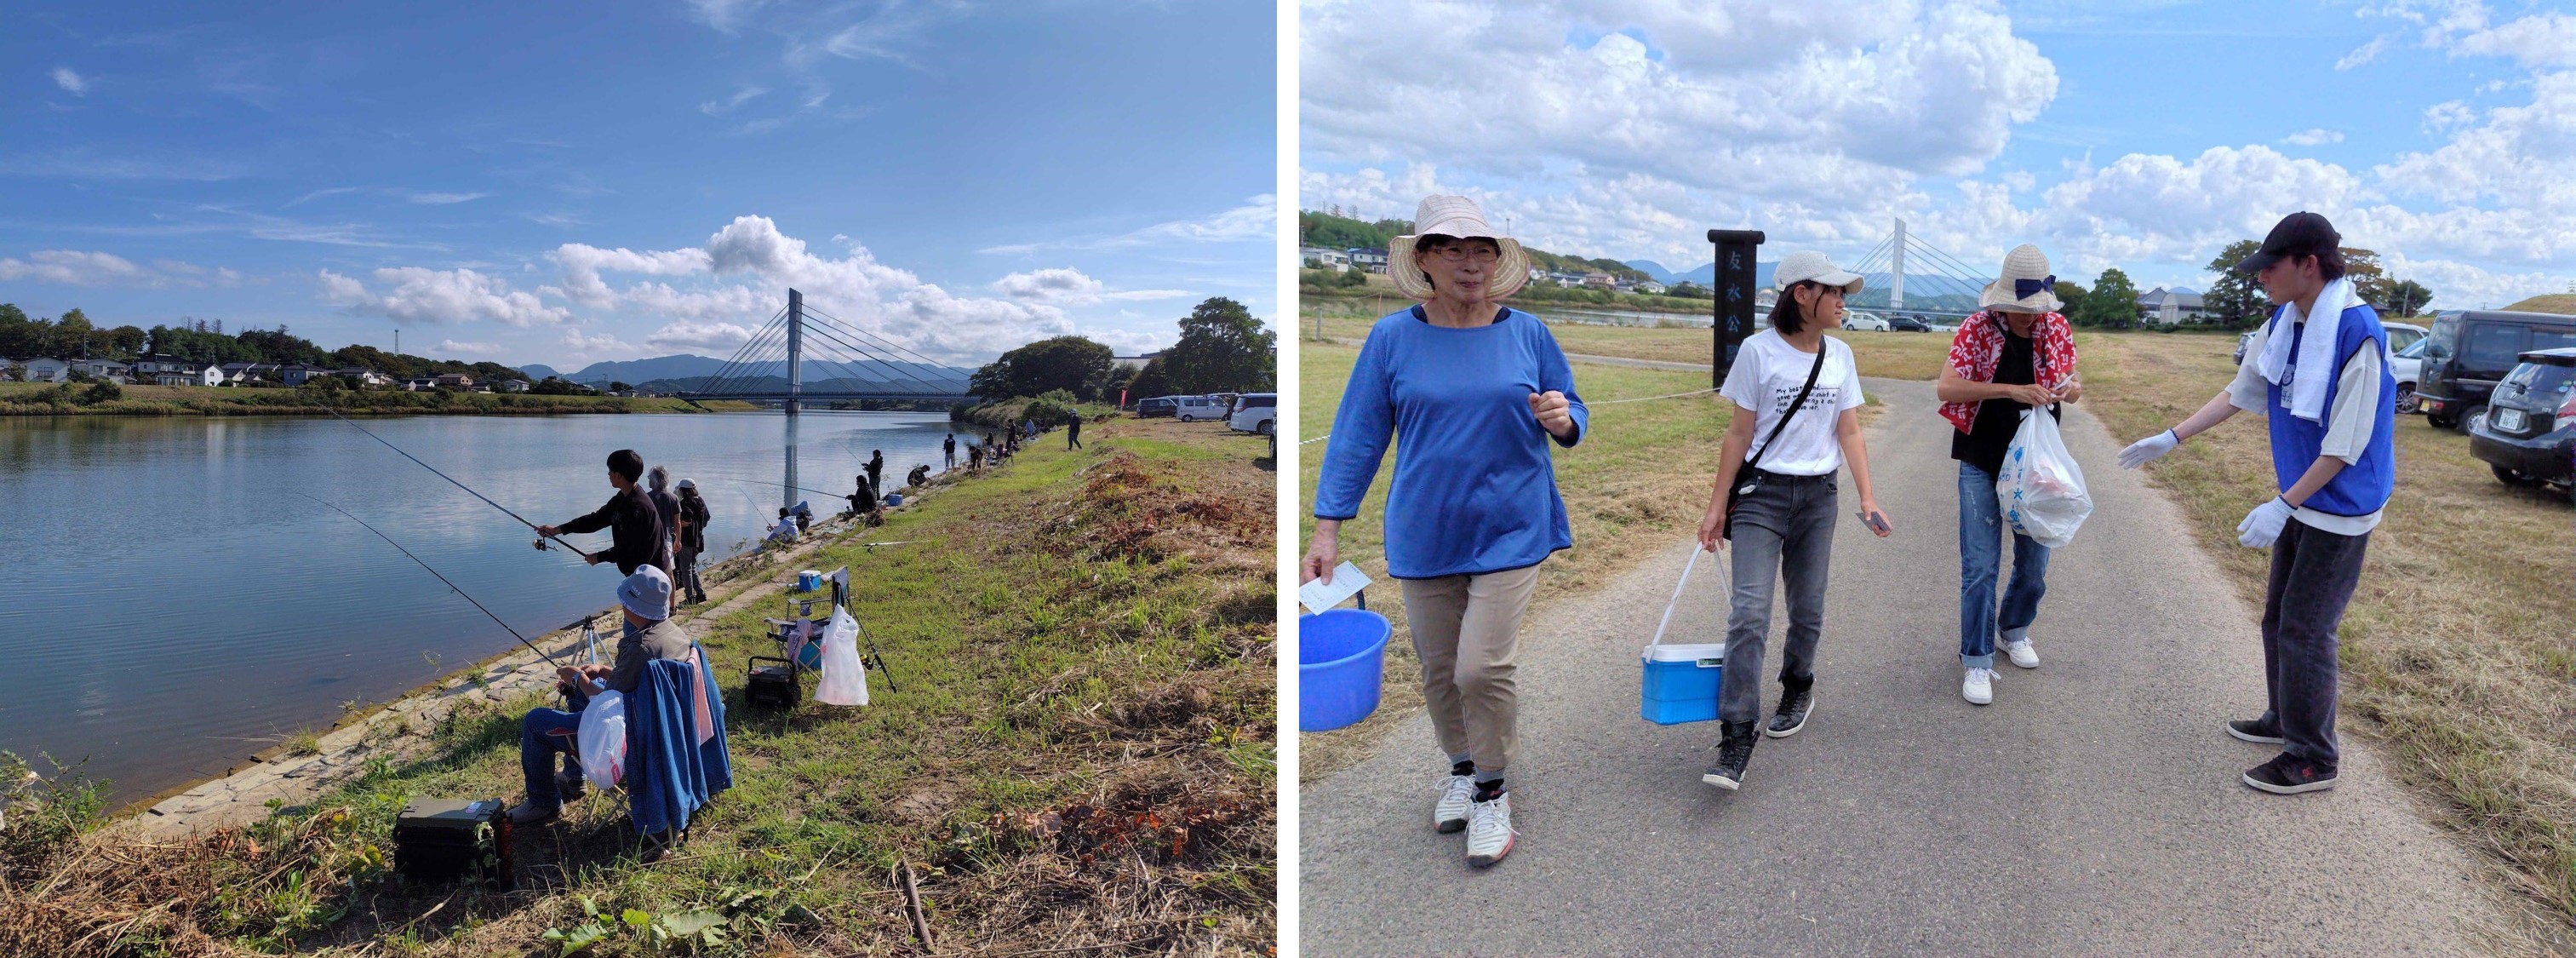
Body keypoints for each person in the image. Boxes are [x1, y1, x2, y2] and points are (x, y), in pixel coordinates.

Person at [1305, 195, 1583, 869]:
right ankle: (1462, 765)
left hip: (1511, 524)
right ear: (1424, 259)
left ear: (1498, 259)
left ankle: (1491, 789)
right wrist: (1327, 530)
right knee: (1436, 671)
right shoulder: (1392, 339)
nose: (1470, 262)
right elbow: (1358, 436)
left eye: (1482, 249)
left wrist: (1561, 417)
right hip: (1425, 529)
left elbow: (1571, 409)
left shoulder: (1529, 333)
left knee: (1479, 666)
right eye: (1453, 249)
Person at [2116, 211, 2395, 796]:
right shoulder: (2286, 321)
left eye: (2271, 266)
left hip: (2339, 507)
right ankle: (2283, 719)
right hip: (2300, 498)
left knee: (2308, 627)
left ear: (2308, 264)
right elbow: (2243, 390)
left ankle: (2314, 756)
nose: (2260, 276)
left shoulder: (2357, 334)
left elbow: (2344, 449)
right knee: (2278, 619)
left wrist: (2280, 504)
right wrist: (2172, 436)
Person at [1693, 250, 1892, 793]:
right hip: (1762, 496)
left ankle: (1798, 683)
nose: (1844, 302)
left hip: (1819, 496)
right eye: (1836, 293)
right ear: (1802, 294)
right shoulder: (1758, 352)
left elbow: (1849, 430)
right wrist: (1717, 506)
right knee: (1749, 613)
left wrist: (1868, 497)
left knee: (1808, 608)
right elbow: (1739, 434)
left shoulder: (1841, 355)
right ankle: (1736, 734)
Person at [1936, 244, 2082, 705]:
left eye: (2035, 309)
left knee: (2036, 564)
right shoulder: (1977, 328)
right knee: (1980, 568)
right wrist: (2011, 391)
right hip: (1982, 459)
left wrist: (2070, 389)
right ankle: (1976, 659)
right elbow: (1947, 386)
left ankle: (2013, 629)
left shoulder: (2055, 327)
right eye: (2021, 309)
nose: (2029, 317)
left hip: (2035, 467)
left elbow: (2074, 387)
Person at [512, 566, 692, 826]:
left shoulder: (639, 647)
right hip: (660, 723)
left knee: (535, 721)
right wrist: (604, 671)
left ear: (632, 607)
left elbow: (604, 701)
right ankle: (575, 777)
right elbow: (636, 680)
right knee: (581, 690)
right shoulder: (673, 633)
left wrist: (576, 677)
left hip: (630, 736)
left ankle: (543, 803)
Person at [539, 450, 672, 585]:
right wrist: (557, 530)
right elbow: (596, 520)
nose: (608, 474)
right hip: (642, 569)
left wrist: (598, 557)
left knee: (633, 605)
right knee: (630, 604)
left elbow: (627, 549)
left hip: (652, 573)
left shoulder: (638, 508)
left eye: (611, 471)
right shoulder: (624, 497)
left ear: (620, 475)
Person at [673, 479, 710, 605]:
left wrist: (676, 526)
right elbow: (707, 518)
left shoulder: (685, 503)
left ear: (683, 491)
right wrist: (698, 527)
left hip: (687, 541)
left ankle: (690, 597)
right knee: (692, 567)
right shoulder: (701, 502)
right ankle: (701, 594)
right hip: (698, 540)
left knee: (685, 569)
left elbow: (687, 520)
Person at [644, 466, 681, 582]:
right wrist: (678, 540)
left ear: (655, 480)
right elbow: (677, 522)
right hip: (667, 539)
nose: (648, 480)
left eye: (649, 477)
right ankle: (671, 600)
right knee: (669, 575)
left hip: (650, 541)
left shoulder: (646, 498)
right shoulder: (673, 498)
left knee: (650, 574)